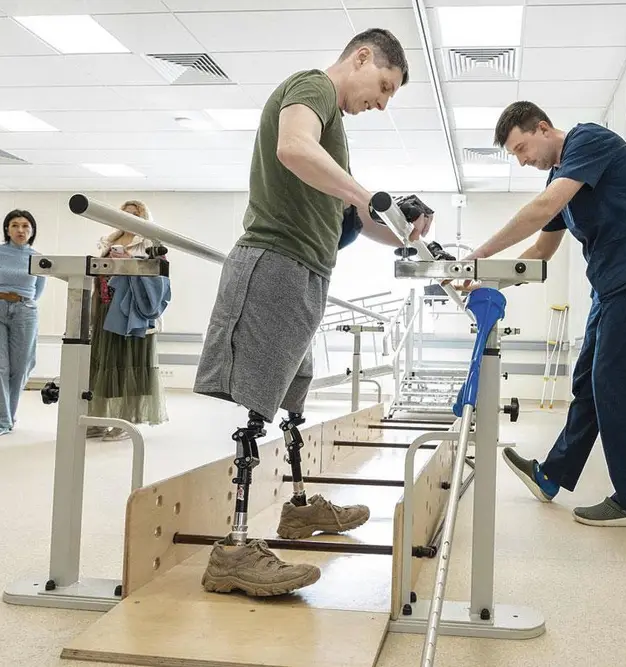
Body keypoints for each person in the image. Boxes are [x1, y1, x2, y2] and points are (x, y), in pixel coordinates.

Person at [193, 28, 432, 597]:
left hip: (306, 271)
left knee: (291, 404)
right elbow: (292, 148)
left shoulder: (337, 133)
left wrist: (406, 231)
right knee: (255, 409)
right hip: (273, 263)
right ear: (362, 57)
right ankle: (233, 550)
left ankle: (298, 509)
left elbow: (352, 220)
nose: (383, 101)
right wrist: (369, 194)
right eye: (384, 86)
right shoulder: (313, 87)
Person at [464, 102, 626, 527]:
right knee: (588, 381)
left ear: (544, 128)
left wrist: (478, 256)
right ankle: (551, 476)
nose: (523, 160)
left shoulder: (589, 142)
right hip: (609, 284)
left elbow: (542, 209)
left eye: (522, 148)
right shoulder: (560, 178)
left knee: (617, 381)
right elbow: (542, 253)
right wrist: (488, 279)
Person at [86, 200, 169, 441]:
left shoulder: (149, 242)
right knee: (103, 366)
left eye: (134, 214)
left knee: (127, 364)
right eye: (124, 214)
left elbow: (158, 274)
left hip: (131, 312)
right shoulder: (108, 240)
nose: (128, 218)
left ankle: (124, 421)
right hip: (105, 308)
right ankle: (100, 418)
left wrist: (129, 261)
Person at [0, 210, 47, 436]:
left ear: (32, 230)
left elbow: (38, 290)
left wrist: (22, 305)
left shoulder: (38, 258)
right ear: (7, 229)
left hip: (25, 310)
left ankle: (7, 415)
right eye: (15, 225)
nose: (20, 230)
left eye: (26, 226)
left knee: (22, 366)